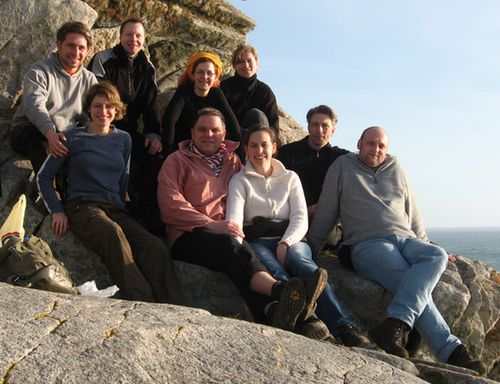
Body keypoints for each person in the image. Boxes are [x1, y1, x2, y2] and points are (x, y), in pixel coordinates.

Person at [308, 126, 486, 374]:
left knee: (437, 256)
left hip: (406, 239)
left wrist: (425, 241)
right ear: (359, 143)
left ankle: (396, 323)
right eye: (370, 143)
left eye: (381, 146)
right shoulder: (342, 166)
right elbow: (326, 211)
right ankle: (451, 349)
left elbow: (412, 211)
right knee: (406, 279)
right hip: (368, 243)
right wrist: (311, 250)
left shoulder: (396, 166)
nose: (376, 149)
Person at [157, 108, 322, 331]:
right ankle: (282, 291)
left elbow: (246, 191)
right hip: (189, 235)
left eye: (215, 130)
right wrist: (212, 224)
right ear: (192, 133)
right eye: (202, 129)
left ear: (224, 133)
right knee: (230, 248)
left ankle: (272, 311)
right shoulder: (176, 161)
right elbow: (171, 204)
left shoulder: (232, 161)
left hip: (228, 231)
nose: (209, 134)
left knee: (239, 256)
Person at [37, 82, 183, 305]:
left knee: (154, 246)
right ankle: (143, 303)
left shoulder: (123, 139)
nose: (103, 112)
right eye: (97, 106)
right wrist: (56, 210)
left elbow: (123, 177)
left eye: (109, 106)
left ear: (117, 110)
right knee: (112, 234)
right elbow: (44, 177)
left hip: (115, 208)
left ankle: (175, 306)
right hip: (82, 206)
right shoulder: (71, 137)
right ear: (88, 109)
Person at [225, 125, 370, 346]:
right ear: (246, 149)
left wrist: (286, 242)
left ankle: (345, 327)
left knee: (305, 266)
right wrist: (239, 250)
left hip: (293, 236)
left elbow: (300, 217)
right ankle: (308, 320)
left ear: (274, 147)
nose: (259, 151)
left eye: (264, 145)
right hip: (259, 239)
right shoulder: (239, 180)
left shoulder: (290, 178)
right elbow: (234, 221)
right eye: (253, 145)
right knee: (273, 269)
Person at [88, 18, 163, 230]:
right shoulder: (104, 59)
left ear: (144, 39)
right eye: (129, 35)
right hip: (104, 123)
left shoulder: (147, 68)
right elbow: (97, 96)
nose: (133, 39)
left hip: (130, 129)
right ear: (120, 37)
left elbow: (151, 105)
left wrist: (154, 133)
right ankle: (121, 208)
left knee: (155, 157)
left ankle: (147, 212)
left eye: (138, 35)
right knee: (123, 151)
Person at [11, 21, 98, 174]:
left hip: (66, 133)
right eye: (70, 45)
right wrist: (50, 134)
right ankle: (47, 189)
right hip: (32, 130)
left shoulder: (90, 80)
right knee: (37, 136)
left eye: (81, 48)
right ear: (59, 46)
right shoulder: (39, 71)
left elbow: (90, 116)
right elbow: (34, 106)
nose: (76, 52)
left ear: (88, 50)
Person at [161, 52, 241, 156]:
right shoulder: (184, 92)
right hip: (184, 147)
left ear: (216, 77)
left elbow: (233, 126)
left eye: (209, 73)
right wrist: (169, 155)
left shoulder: (216, 94)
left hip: (208, 146)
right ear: (193, 75)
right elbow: (169, 121)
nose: (204, 77)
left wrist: (241, 160)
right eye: (200, 72)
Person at [278, 105, 349, 219]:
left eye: (325, 125)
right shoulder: (287, 153)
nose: (319, 130)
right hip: (291, 216)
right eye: (315, 124)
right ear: (308, 127)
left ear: (333, 131)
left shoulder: (342, 158)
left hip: (328, 218)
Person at [221, 45, 280, 140]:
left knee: (256, 115)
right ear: (234, 65)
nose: (246, 65)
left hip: (256, 142)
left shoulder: (265, 92)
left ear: (257, 64)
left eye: (249, 61)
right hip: (229, 138)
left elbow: (274, 126)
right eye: (240, 62)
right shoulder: (224, 88)